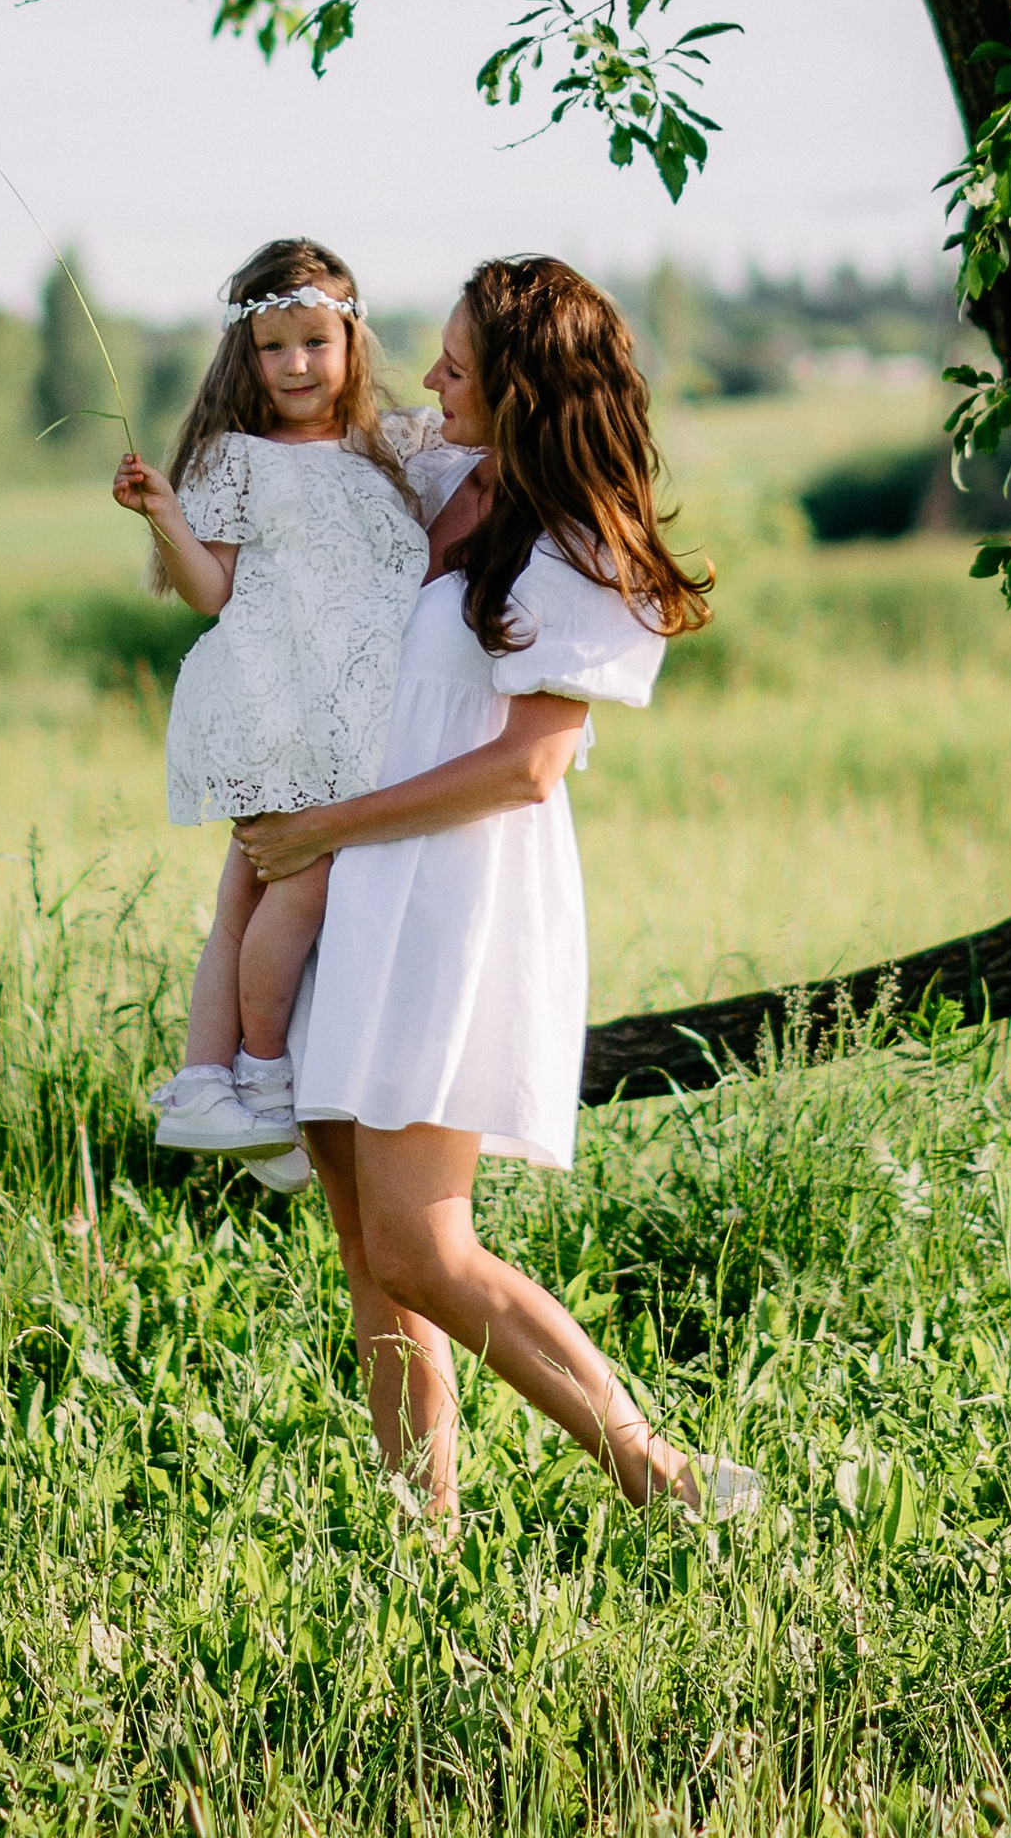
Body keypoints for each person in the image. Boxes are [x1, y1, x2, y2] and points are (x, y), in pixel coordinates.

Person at [237, 255, 757, 1520]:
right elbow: (303, 436)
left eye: (459, 367)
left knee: (425, 1244)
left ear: (524, 385)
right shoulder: (440, 474)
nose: (431, 380)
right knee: (370, 1255)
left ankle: (663, 1479)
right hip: (349, 888)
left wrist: (325, 832)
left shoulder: (575, 545)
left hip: (445, 905)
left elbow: (526, 770)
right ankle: (426, 1537)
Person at [113, 236, 477, 1166]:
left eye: (316, 341)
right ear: (247, 357)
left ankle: (206, 1083)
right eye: (274, 348)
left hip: (339, 711)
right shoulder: (238, 457)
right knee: (303, 883)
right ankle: (268, 1079)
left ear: (353, 340)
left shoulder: (395, 447)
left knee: (247, 894)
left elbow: (483, 456)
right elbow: (211, 592)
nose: (297, 365)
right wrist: (165, 515)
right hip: (269, 699)